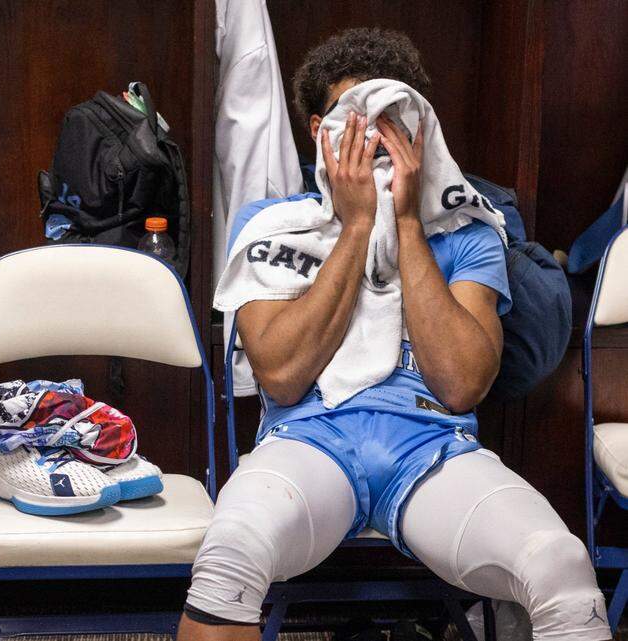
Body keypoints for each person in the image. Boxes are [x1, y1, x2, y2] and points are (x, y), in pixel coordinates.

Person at [179, 28, 611, 641]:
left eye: (390, 120)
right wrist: (355, 229)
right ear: (317, 133)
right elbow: (279, 374)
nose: (373, 140)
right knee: (228, 558)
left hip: (432, 445)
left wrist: (406, 222)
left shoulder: (468, 230)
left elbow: (462, 383)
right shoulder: (272, 226)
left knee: (563, 568)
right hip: (310, 438)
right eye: (353, 121)